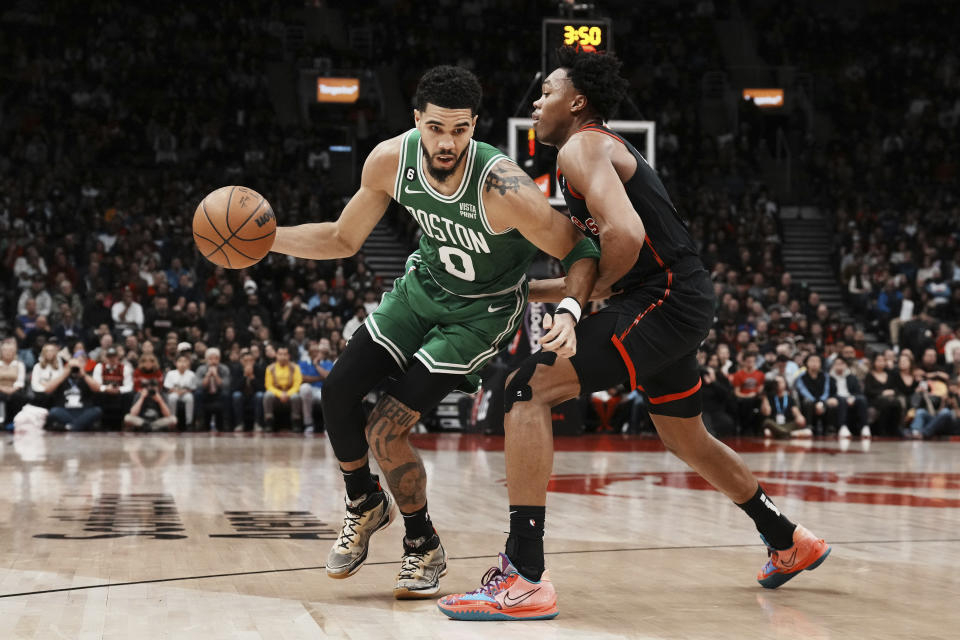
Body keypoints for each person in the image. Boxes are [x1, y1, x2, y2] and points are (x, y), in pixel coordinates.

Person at [438, 48, 828, 621]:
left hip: (661, 300)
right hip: (673, 298)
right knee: (685, 437)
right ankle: (789, 539)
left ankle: (523, 575)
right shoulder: (590, 153)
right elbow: (596, 262)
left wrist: (572, 306)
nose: (536, 102)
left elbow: (623, 234)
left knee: (526, 390)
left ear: (577, 101)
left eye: (546, 91)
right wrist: (532, 294)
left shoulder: (582, 144)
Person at [270, 65, 598, 599]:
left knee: (385, 429)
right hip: (420, 290)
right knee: (337, 394)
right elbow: (341, 237)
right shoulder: (389, 160)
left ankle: (422, 546)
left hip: (479, 317)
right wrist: (266, 242)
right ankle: (365, 502)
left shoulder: (504, 186)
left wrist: (567, 309)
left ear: (475, 125)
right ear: (416, 120)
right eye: (436, 129)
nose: (447, 143)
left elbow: (581, 249)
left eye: (460, 130)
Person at [48, 356, 102, 431]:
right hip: (65, 411)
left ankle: (70, 427)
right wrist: (64, 375)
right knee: (54, 411)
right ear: (66, 368)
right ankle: (79, 426)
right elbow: (48, 390)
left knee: (97, 410)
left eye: (76, 367)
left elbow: (97, 389)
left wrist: (84, 375)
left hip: (83, 411)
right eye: (71, 367)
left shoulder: (85, 378)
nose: (74, 370)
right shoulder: (62, 379)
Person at [262, 345, 303, 431]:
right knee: (267, 395)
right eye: (280, 354)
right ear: (276, 355)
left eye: (285, 354)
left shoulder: (295, 367)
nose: (283, 356)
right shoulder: (270, 368)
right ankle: (269, 423)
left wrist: (287, 394)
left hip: (290, 395)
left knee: (296, 397)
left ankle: (296, 423)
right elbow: (268, 386)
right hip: (277, 396)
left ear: (289, 356)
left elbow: (297, 385)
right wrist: (280, 394)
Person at [194, 347, 231, 431]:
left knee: (226, 394)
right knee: (198, 393)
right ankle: (200, 421)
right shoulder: (201, 369)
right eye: (211, 358)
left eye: (216, 358)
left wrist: (216, 376)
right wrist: (207, 376)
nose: (213, 361)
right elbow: (198, 386)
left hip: (219, 394)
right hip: (206, 395)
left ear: (219, 359)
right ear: (206, 359)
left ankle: (226, 422)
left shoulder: (224, 369)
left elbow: (226, 385)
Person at [164, 354, 198, 430]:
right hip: (174, 393)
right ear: (175, 363)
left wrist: (184, 391)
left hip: (186, 393)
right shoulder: (171, 373)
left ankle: (189, 423)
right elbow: (167, 387)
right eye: (180, 361)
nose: (182, 364)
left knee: (190, 398)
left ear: (188, 363)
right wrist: (176, 391)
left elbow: (193, 388)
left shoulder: (191, 374)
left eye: (185, 361)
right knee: (172, 398)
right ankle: (172, 422)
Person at [0, 339, 27, 427]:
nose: (7, 353)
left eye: (10, 351)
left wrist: (12, 389)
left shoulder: (19, 365)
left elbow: (20, 381)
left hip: (14, 389)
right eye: (5, 350)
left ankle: (13, 421)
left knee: (17, 397)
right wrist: (3, 388)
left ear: (14, 352)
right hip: (0, 389)